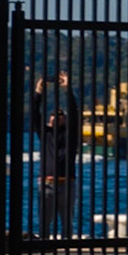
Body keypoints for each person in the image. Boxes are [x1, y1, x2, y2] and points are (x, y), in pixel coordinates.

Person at [31, 72, 81, 236]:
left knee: (67, 223)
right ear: (48, 119)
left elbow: (74, 113)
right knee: (44, 223)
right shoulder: (45, 133)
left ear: (65, 119)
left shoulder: (70, 134)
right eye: (53, 115)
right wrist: (38, 92)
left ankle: (66, 247)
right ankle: (44, 247)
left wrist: (67, 89)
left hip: (67, 184)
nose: (56, 117)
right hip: (47, 184)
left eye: (60, 115)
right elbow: (34, 114)